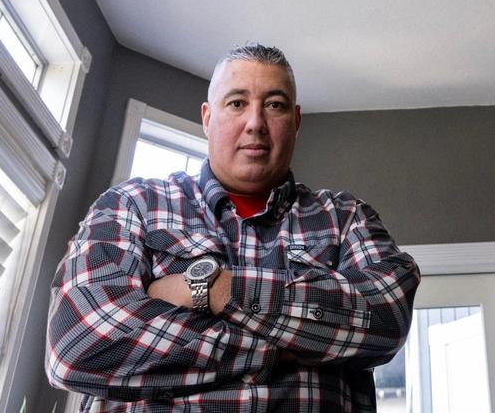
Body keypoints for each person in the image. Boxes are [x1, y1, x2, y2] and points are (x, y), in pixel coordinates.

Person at [47, 44, 420, 411]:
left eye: (274, 105)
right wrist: (289, 346)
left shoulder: (345, 216)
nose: (255, 123)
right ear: (208, 119)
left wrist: (214, 289)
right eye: (237, 103)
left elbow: (385, 316)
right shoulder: (134, 205)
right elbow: (78, 342)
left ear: (296, 120)